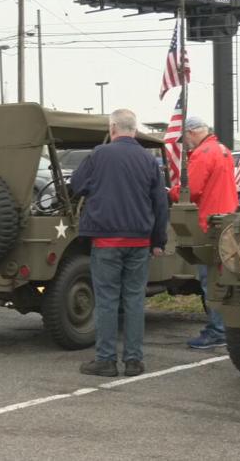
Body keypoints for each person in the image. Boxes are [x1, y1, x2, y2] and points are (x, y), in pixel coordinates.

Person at [71, 109, 168, 378]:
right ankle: (134, 361)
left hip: (106, 241)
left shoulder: (99, 154)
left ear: (112, 128)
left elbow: (76, 185)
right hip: (139, 241)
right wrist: (158, 240)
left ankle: (106, 360)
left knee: (107, 300)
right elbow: (160, 203)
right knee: (135, 299)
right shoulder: (148, 160)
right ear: (134, 130)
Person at [168, 117, 239, 349]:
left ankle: (218, 330)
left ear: (192, 132)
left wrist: (171, 193)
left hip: (210, 223)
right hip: (228, 219)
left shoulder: (202, 153)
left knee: (212, 279)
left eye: (186, 137)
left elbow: (193, 190)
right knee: (224, 277)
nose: (185, 142)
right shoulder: (222, 150)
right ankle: (227, 326)